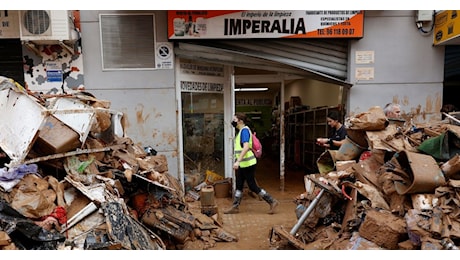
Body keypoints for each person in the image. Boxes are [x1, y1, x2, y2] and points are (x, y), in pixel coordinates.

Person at [224, 112, 279, 214]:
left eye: (234, 119)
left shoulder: (244, 131)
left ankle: (272, 201)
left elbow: (245, 147)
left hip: (248, 164)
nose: (233, 121)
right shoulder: (241, 131)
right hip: (243, 164)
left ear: (240, 121)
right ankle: (235, 206)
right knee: (239, 185)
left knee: (253, 186)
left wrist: (238, 161)